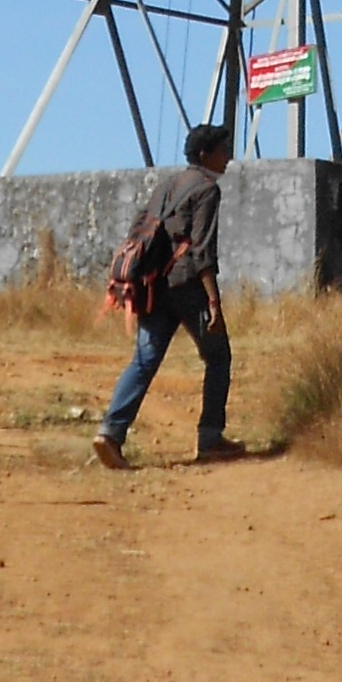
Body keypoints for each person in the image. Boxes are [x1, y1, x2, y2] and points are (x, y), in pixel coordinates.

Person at [91, 122, 245, 469]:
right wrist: (214, 303)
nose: (229, 157)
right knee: (218, 356)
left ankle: (111, 433)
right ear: (205, 155)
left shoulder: (168, 185)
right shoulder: (207, 190)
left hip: (152, 286)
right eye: (223, 150)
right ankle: (210, 438)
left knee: (144, 361)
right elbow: (203, 251)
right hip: (186, 286)